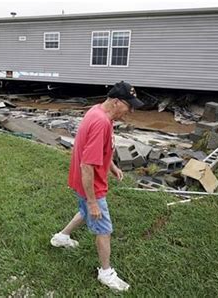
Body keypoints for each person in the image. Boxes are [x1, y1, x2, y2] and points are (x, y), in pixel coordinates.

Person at [50, 81, 144, 291]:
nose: (131, 111)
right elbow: (86, 166)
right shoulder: (102, 122)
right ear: (118, 102)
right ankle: (106, 273)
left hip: (81, 183)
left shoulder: (98, 112)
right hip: (90, 186)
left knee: (85, 212)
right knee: (104, 229)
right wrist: (93, 201)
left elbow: (98, 149)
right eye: (129, 106)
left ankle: (61, 237)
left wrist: (112, 167)